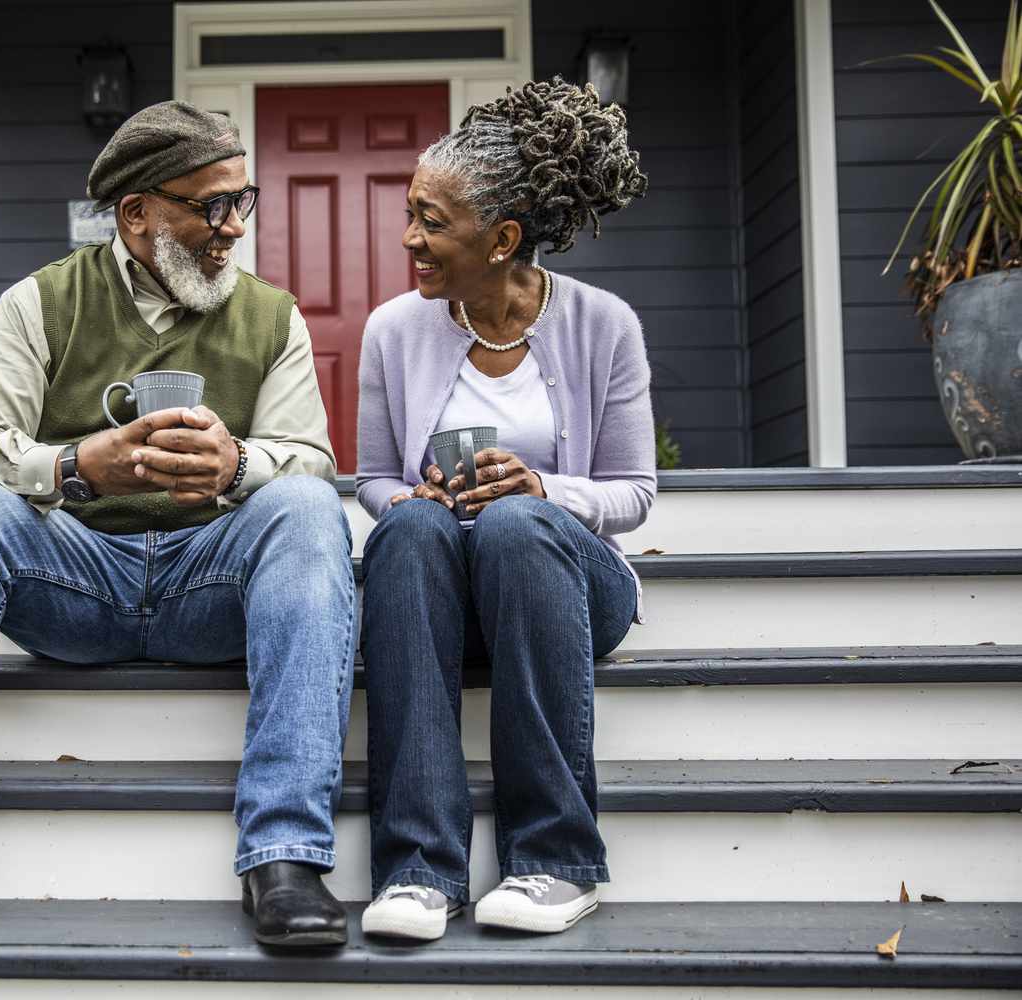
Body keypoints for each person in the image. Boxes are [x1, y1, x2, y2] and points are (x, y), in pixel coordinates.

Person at [0, 101, 354, 949]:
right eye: (208, 205)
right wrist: (74, 467)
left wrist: (238, 468)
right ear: (137, 214)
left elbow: (308, 457)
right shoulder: (40, 303)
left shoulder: (273, 316)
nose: (232, 229)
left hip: (210, 586)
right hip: (74, 584)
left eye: (242, 201)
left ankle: (286, 857)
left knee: (305, 506)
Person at [354, 77, 653, 941]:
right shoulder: (392, 330)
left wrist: (543, 488)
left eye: (433, 222)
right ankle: (417, 872)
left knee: (521, 525)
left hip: (565, 585)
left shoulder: (605, 325)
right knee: (407, 527)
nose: (410, 237)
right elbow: (372, 477)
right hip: (447, 588)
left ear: (504, 237)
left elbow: (634, 494)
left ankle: (556, 861)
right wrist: (412, 496)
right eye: (410, 213)